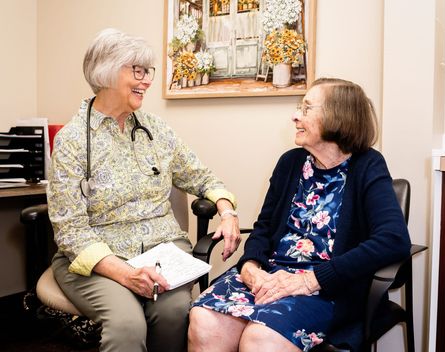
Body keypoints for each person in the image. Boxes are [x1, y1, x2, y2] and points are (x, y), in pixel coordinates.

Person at [47, 28, 240, 352]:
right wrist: (126, 275)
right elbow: (71, 232)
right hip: (98, 259)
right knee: (127, 324)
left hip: (162, 250)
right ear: (105, 72)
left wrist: (227, 210)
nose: (147, 80)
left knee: (175, 312)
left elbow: (201, 177)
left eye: (147, 71)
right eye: (136, 71)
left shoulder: (156, 130)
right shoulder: (72, 141)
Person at [188, 78, 411, 352]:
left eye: (306, 109)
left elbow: (393, 239)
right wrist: (250, 268)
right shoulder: (290, 163)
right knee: (204, 320)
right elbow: (264, 228)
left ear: (337, 117)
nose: (295, 116)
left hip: (326, 287)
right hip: (269, 276)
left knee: (261, 338)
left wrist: (309, 280)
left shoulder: (368, 165)